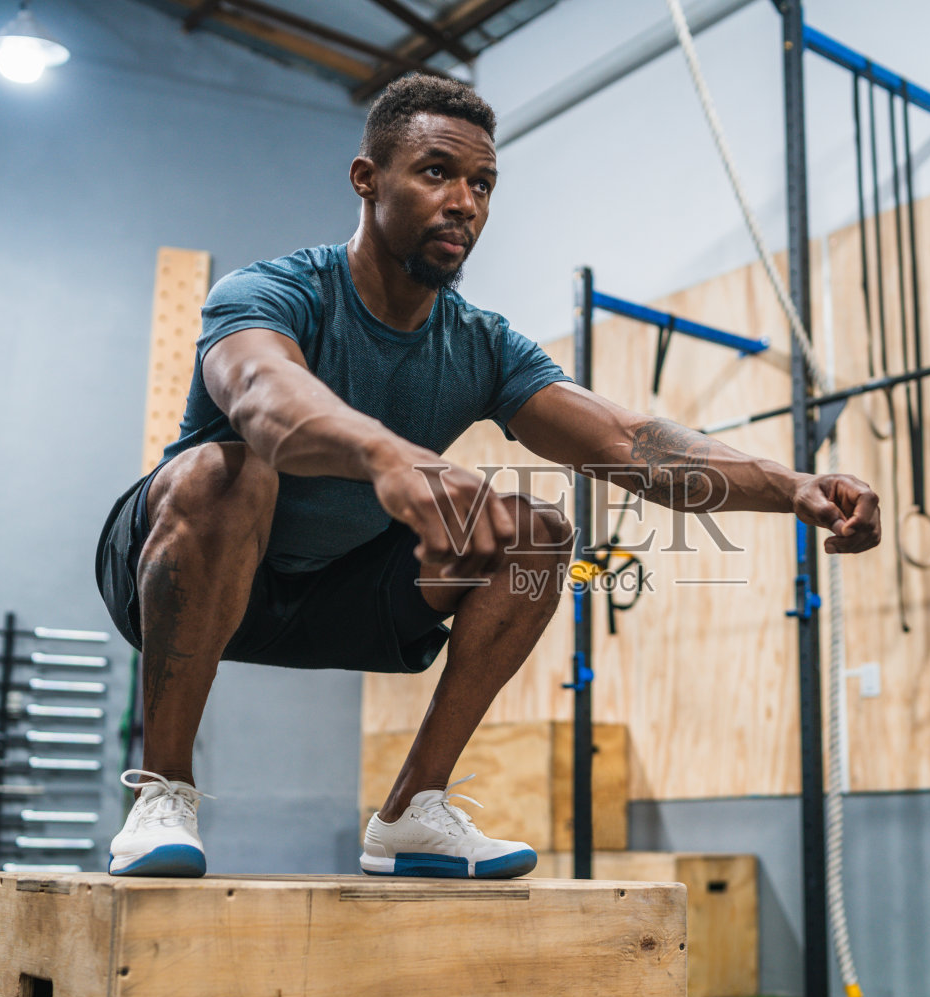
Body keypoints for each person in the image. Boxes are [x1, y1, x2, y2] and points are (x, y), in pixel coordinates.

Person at [94, 74, 881, 880]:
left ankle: (412, 814)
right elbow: (265, 400)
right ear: (368, 179)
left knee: (536, 534)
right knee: (226, 472)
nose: (464, 202)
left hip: (339, 590)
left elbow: (627, 440)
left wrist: (791, 486)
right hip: (184, 571)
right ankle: (162, 793)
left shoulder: (481, 344)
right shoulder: (273, 291)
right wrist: (390, 455)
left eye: (482, 184)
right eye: (437, 172)